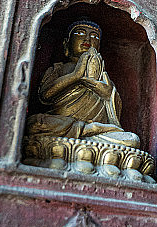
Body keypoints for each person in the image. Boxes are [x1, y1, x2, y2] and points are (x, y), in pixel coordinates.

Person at [24, 19, 140, 149]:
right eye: (80, 33)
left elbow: (113, 113)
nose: (87, 39)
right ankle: (86, 130)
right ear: (66, 43)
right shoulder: (58, 69)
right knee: (34, 124)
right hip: (63, 127)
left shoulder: (102, 76)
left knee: (132, 140)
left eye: (94, 37)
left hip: (91, 135)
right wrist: (75, 76)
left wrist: (107, 93)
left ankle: (87, 132)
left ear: (98, 47)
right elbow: (45, 96)